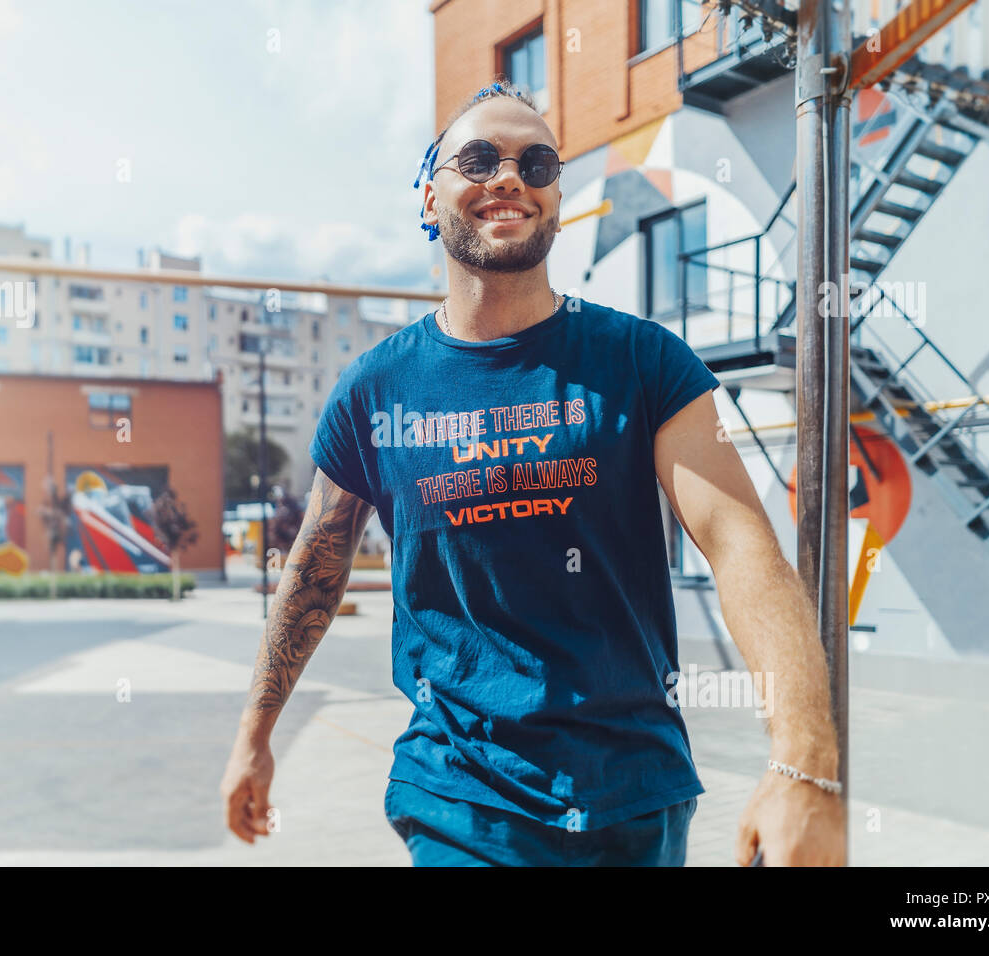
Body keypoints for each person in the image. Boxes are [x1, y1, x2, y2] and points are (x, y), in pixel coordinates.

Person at [220, 78, 844, 867]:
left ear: (555, 198)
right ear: (427, 196)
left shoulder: (644, 362)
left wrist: (805, 762)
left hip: (633, 795)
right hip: (461, 797)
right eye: (477, 158)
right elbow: (315, 565)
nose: (509, 176)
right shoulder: (374, 390)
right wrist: (253, 735)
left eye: (538, 162)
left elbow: (742, 547)